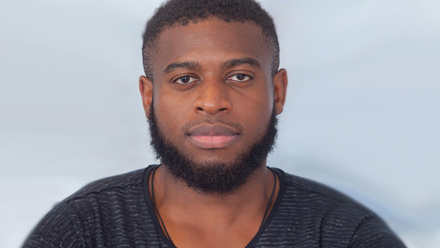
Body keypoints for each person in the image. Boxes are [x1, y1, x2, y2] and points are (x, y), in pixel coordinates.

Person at [23, 0, 406, 247]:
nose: (212, 102)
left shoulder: (348, 236)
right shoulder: (83, 231)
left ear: (278, 91)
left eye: (239, 76)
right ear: (148, 96)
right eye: (185, 79)